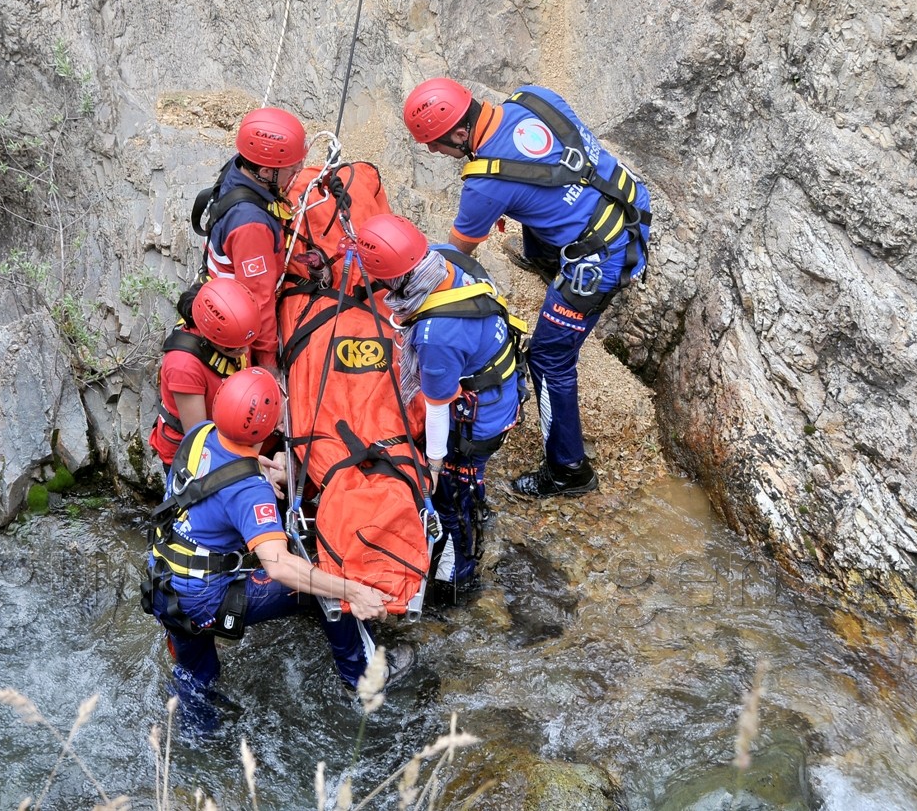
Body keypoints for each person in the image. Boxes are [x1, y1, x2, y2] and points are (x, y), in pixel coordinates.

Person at [402, 78, 652, 497]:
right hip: (627, 203)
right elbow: (554, 167)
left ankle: (568, 470)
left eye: (436, 144)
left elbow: (455, 256)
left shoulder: (485, 184)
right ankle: (546, 255)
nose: (432, 151)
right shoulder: (535, 98)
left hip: (600, 258)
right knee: (535, 207)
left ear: (461, 134)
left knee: (548, 357)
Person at [143, 368, 414, 732]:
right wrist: (354, 591)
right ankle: (361, 677)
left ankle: (195, 741)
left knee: (198, 677)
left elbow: (213, 485)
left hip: (164, 582)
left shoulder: (200, 433)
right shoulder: (250, 491)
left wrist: (257, 471)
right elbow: (280, 567)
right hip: (204, 596)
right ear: (268, 426)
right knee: (319, 585)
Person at [355, 213, 524, 594]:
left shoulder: (437, 336)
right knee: (462, 484)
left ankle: (456, 579)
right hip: (502, 385)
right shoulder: (446, 256)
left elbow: (436, 406)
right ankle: (472, 505)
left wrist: (432, 466)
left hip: (480, 420)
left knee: (450, 493)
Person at [199, 107, 308, 371]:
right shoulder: (251, 225)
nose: (297, 169)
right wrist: (268, 361)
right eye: (289, 167)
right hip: (236, 319)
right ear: (265, 170)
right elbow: (259, 301)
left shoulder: (239, 167)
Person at [149, 278, 262, 469]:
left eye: (246, 343)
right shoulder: (183, 365)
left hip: (228, 427)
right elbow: (199, 439)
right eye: (233, 348)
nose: (244, 351)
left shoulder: (234, 327)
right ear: (209, 336)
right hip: (190, 454)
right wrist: (250, 460)